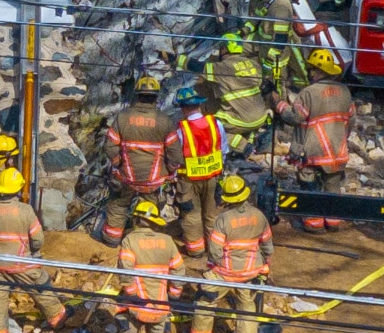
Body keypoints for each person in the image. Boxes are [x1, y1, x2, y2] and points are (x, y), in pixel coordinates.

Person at [0, 167, 68, 333]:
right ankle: (58, 318)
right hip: (21, 262)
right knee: (38, 288)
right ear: (17, 189)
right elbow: (38, 238)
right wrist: (31, 251)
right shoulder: (25, 210)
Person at [193, 174, 275, 333]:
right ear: (245, 195)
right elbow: (268, 247)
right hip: (251, 272)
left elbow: (214, 251)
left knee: (206, 301)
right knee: (247, 307)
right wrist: (263, 266)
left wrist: (217, 266)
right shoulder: (259, 216)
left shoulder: (223, 220)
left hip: (225, 272)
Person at [273, 46, 356, 212]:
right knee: (332, 189)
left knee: (309, 189)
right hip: (336, 152)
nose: (309, 73)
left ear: (316, 71)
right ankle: (332, 221)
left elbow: (296, 117)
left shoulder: (309, 92)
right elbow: (351, 119)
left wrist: (279, 104)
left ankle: (313, 223)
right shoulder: (345, 91)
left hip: (312, 152)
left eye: (311, 69)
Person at [111, 198, 181, 333]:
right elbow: (179, 270)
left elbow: (125, 271)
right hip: (159, 304)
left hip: (135, 304)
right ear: (154, 221)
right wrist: (174, 294)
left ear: (136, 220)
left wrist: (132, 294)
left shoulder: (130, 241)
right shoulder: (167, 242)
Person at [99, 73, 176, 244]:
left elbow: (109, 146)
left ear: (138, 95)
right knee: (150, 208)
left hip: (126, 178)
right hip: (153, 181)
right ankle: (146, 242)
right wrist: (170, 170)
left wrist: (118, 164)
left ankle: (112, 240)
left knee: (118, 205)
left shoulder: (123, 117)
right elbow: (175, 154)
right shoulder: (164, 121)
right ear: (156, 97)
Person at [169, 85, 226, 262]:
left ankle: (195, 249)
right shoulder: (215, 123)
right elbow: (223, 149)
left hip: (188, 178)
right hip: (212, 177)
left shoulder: (180, 129)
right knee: (211, 213)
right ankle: (214, 247)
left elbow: (175, 155)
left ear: (184, 107)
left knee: (191, 214)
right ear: (199, 105)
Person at [204, 40, 275, 172]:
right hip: (261, 118)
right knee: (234, 115)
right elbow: (265, 75)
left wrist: (176, 59)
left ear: (225, 48)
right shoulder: (253, 64)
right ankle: (251, 141)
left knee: (211, 126)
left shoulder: (223, 67)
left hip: (243, 121)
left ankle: (244, 147)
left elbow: (197, 67)